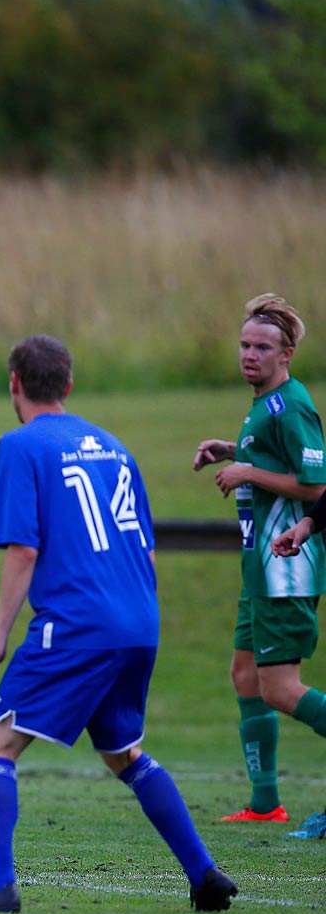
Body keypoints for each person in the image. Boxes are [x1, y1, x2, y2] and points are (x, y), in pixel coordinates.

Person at [0, 335, 236, 913]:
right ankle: (205, 875)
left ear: (14, 383)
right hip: (140, 618)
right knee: (124, 754)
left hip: (78, 623)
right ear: (67, 386)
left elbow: (23, 551)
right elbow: (146, 549)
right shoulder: (115, 447)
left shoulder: (19, 446)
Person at [192, 293, 325, 829]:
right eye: (245, 344)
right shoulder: (263, 405)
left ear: (286, 353)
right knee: (245, 674)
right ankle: (266, 803)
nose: (250, 354)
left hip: (286, 567)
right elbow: (275, 460)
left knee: (279, 688)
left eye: (262, 347)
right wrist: (234, 451)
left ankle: (268, 801)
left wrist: (246, 473)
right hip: (259, 568)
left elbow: (315, 485)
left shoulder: (292, 405)